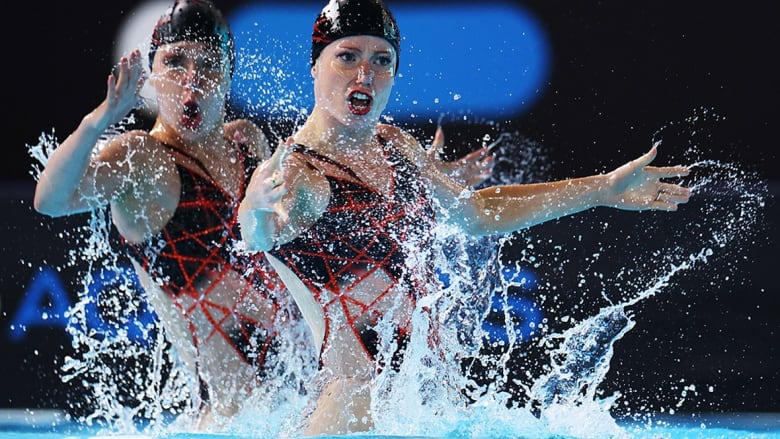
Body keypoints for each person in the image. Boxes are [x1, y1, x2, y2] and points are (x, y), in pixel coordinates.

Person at [237, 0, 692, 435]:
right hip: (350, 417)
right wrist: (253, 208)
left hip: (424, 411)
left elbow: (476, 213)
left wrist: (603, 188)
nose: (365, 74)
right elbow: (259, 234)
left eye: (381, 60)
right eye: (347, 56)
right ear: (315, 65)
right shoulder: (296, 172)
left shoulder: (396, 146)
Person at [33, 0, 305, 427]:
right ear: (153, 74)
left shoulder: (248, 143)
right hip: (226, 421)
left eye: (210, 65)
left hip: (294, 402)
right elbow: (50, 200)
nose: (192, 80)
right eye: (175, 62)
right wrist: (100, 119)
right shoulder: (143, 159)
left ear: (228, 77)